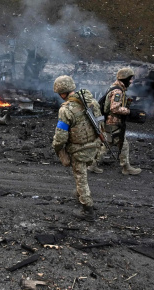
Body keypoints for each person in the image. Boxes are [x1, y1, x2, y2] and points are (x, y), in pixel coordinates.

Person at [52, 75, 103, 222]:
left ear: (63, 93)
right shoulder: (91, 101)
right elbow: (100, 121)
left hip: (78, 149)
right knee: (83, 175)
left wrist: (57, 148)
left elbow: (61, 136)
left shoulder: (66, 110)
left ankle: (87, 209)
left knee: (81, 178)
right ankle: (81, 195)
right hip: (94, 145)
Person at [92, 68, 141, 175]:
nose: (131, 81)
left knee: (108, 143)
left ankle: (93, 164)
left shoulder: (114, 88)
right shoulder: (118, 91)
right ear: (125, 79)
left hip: (109, 122)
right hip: (113, 122)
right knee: (122, 144)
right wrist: (128, 112)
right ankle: (125, 167)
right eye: (130, 79)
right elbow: (114, 108)